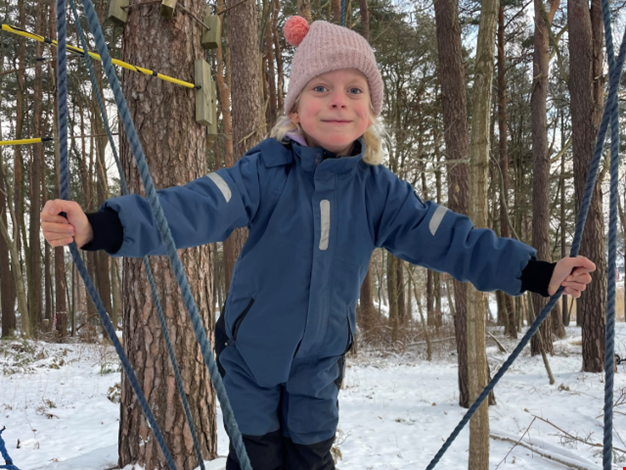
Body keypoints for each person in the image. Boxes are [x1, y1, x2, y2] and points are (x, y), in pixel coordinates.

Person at [41, 16, 595, 470]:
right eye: (321, 88)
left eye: (354, 89)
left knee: (309, 455)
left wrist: (536, 272)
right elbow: (196, 206)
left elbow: (449, 238)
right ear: (296, 106)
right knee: (255, 455)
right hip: (250, 359)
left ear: (370, 109)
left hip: (320, 366)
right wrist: (100, 226)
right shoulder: (265, 172)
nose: (338, 100)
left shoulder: (380, 192)